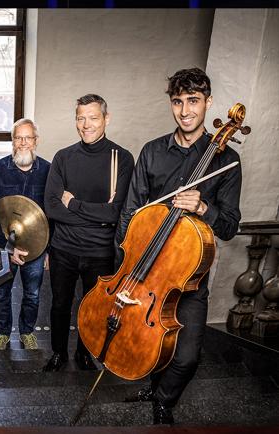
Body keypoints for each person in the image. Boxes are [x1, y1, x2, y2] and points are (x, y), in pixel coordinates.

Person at [117, 68, 242, 424]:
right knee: (147, 342)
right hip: (145, 269)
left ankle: (163, 399)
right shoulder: (153, 152)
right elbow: (130, 211)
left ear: (208, 102)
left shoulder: (227, 161)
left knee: (186, 357)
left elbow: (230, 225)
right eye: (178, 101)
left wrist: (204, 207)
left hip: (188, 278)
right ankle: (154, 388)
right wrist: (127, 265)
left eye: (193, 101)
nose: (185, 110)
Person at [43, 94, 134, 372]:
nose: (86, 124)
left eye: (93, 117)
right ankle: (58, 353)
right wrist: (96, 214)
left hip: (100, 252)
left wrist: (74, 203)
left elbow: (115, 214)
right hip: (63, 249)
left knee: (93, 307)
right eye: (81, 118)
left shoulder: (123, 158)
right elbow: (51, 207)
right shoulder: (63, 157)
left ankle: (84, 353)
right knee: (60, 304)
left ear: (106, 119)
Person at [0, 118, 51, 351]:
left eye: (28, 137)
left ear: (36, 141)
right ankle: (3, 333)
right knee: (1, 294)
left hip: (37, 248)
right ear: (12, 141)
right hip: (4, 246)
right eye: (18, 138)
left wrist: (47, 249)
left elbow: (52, 214)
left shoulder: (49, 171)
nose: (23, 143)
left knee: (32, 294)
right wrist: (7, 247)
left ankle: (27, 332)